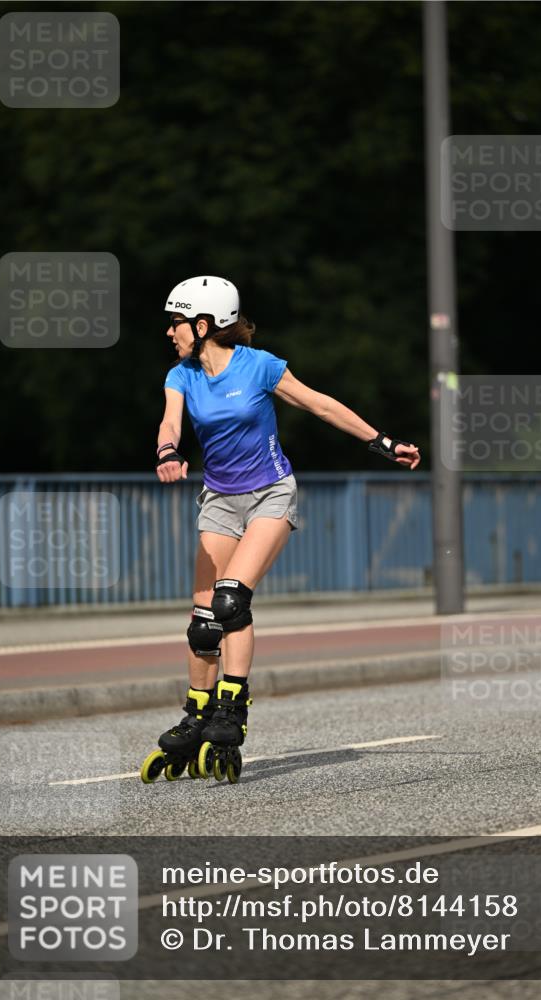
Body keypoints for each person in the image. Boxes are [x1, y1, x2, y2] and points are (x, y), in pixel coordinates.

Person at [140, 275, 420, 785]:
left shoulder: (260, 366)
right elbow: (170, 423)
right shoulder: (181, 376)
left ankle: (231, 711)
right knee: (203, 622)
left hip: (271, 493)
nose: (170, 331)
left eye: (176, 321)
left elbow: (320, 404)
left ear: (202, 326)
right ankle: (196, 714)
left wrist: (383, 441)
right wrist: (167, 452)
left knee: (230, 601)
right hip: (220, 501)